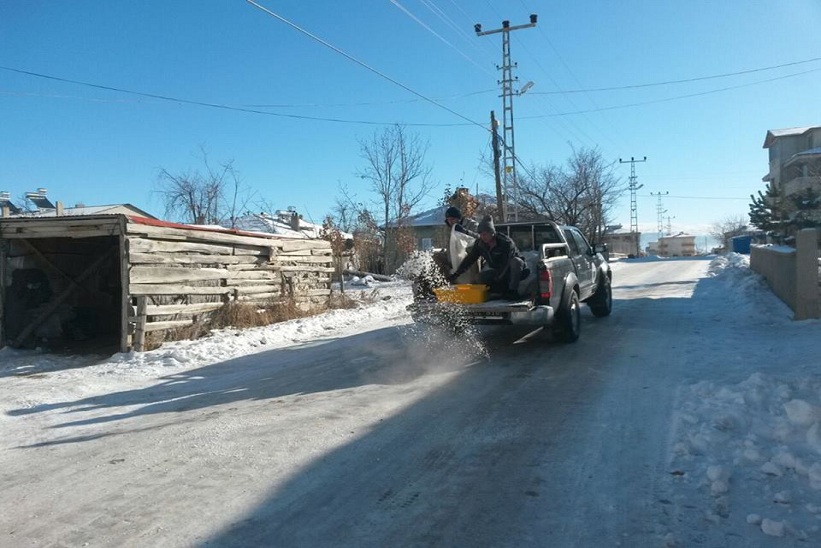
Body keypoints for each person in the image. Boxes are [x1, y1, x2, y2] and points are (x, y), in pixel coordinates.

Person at [447, 215, 527, 300]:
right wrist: (457, 273)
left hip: (514, 271)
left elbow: (506, 263)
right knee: (479, 278)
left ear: (492, 233)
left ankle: (512, 292)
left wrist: (498, 279)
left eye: (485, 234)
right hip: (498, 271)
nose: (482, 237)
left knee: (516, 261)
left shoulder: (506, 243)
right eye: (481, 235)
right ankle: (499, 292)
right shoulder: (480, 244)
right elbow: (470, 259)